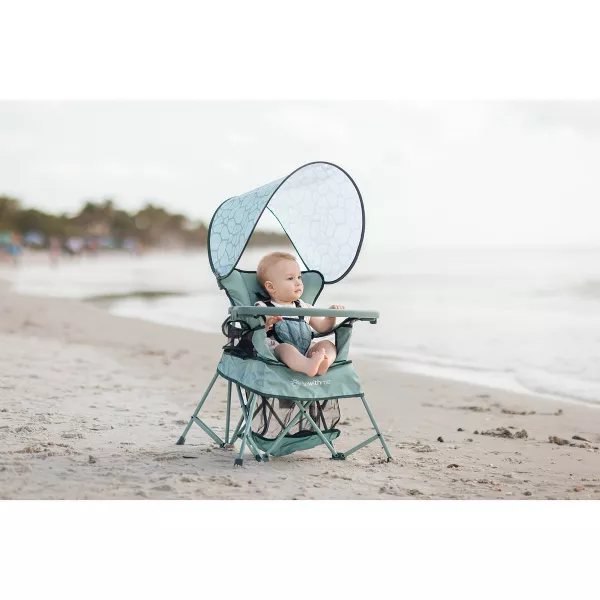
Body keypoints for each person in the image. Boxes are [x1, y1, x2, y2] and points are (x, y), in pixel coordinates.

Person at [255, 251, 344, 377]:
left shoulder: (304, 307)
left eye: (299, 277)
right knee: (285, 348)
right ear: (271, 287)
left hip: (306, 351)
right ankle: (308, 365)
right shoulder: (264, 308)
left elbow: (323, 327)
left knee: (327, 345)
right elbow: (255, 333)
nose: (298, 282)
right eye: (290, 278)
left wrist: (331, 316)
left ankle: (323, 362)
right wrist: (267, 325)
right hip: (278, 353)